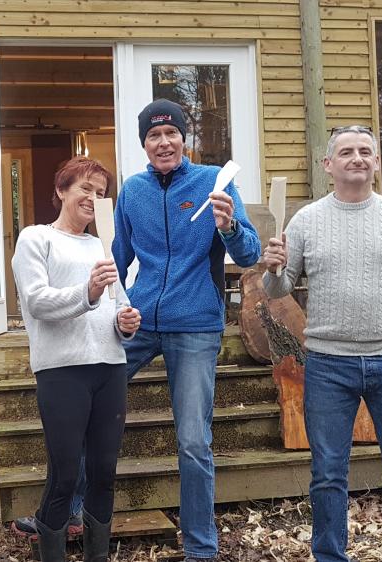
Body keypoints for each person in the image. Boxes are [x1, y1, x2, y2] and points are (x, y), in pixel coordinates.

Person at [262, 125, 382, 562]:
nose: (356, 158)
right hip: (327, 366)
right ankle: (330, 556)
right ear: (329, 165)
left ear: (377, 163)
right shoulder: (306, 220)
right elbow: (278, 289)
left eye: (365, 152)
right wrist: (272, 267)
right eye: (346, 152)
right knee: (327, 475)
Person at [112, 99, 262, 562]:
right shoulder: (132, 190)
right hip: (140, 320)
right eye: (153, 136)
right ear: (143, 144)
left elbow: (252, 252)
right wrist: (107, 308)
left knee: (194, 440)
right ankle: (71, 509)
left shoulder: (213, 182)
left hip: (195, 324)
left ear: (184, 139)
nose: (163, 143)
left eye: (171, 134)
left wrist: (230, 225)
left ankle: (201, 546)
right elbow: (120, 257)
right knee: (89, 403)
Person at [11, 157, 142, 562]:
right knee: (66, 473)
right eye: (84, 188)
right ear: (61, 190)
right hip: (62, 370)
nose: (93, 197)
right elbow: (36, 301)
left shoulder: (103, 247)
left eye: (100, 192)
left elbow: (118, 305)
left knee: (103, 472)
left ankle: (96, 556)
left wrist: (126, 321)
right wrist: (87, 292)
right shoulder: (36, 239)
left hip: (110, 367)